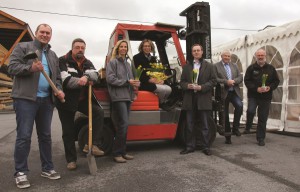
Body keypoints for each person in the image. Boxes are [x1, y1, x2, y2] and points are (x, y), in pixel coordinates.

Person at [8, 23, 65, 189]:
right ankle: (21, 172)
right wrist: (30, 68)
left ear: (51, 36)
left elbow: (57, 79)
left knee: (45, 136)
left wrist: (59, 90)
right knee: (24, 136)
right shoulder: (23, 47)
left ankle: (47, 168)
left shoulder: (53, 55)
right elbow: (11, 67)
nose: (45, 35)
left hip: (46, 100)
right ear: (36, 33)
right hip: (26, 99)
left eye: (48, 33)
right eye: (42, 32)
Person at [56, 38, 104, 170]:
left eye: (82, 48)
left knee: (99, 112)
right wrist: (81, 80)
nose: (80, 50)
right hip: (65, 101)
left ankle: (93, 144)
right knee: (68, 131)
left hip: (82, 100)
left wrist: (87, 77)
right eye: (77, 47)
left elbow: (96, 75)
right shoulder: (62, 61)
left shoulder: (87, 62)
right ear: (72, 48)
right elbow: (66, 81)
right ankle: (71, 160)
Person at [106, 40, 140, 163]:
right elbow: (110, 79)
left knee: (124, 125)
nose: (124, 49)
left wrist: (135, 84)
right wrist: (127, 82)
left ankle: (123, 151)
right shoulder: (113, 62)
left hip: (127, 97)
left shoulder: (127, 63)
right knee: (123, 125)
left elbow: (131, 80)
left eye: (125, 47)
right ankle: (116, 153)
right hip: (118, 97)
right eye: (121, 46)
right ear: (117, 48)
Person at [179, 44, 216, 156]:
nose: (196, 52)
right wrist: (187, 86)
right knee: (189, 124)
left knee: (205, 124)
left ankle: (206, 147)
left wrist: (202, 87)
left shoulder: (209, 66)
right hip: (190, 98)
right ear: (192, 53)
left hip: (203, 98)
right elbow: (182, 82)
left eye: (198, 50)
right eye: (194, 51)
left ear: (202, 52)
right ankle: (190, 146)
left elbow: (213, 81)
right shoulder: (186, 67)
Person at [244, 49, 279, 146]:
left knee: (262, 117)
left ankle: (260, 138)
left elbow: (276, 81)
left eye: (262, 55)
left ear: (265, 56)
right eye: (258, 55)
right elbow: (247, 81)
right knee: (250, 111)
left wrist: (269, 87)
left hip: (266, 97)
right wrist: (256, 89)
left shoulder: (271, 68)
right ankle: (248, 125)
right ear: (256, 56)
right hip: (253, 96)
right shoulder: (251, 68)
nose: (260, 57)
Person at [214, 50, 243, 144]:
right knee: (225, 114)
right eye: (225, 56)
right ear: (221, 56)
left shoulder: (234, 65)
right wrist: (226, 82)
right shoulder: (216, 66)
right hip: (223, 93)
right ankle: (228, 137)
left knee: (239, 106)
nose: (227, 57)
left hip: (234, 91)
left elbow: (240, 77)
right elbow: (215, 79)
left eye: (228, 56)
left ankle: (235, 128)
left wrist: (234, 81)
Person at [133, 39, 172, 106]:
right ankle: (161, 104)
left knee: (169, 89)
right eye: (145, 46)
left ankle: (162, 102)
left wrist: (160, 79)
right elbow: (137, 74)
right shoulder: (136, 57)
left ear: (151, 47)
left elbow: (156, 72)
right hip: (143, 82)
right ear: (142, 47)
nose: (147, 48)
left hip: (154, 81)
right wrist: (149, 80)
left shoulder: (153, 58)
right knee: (162, 89)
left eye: (149, 46)